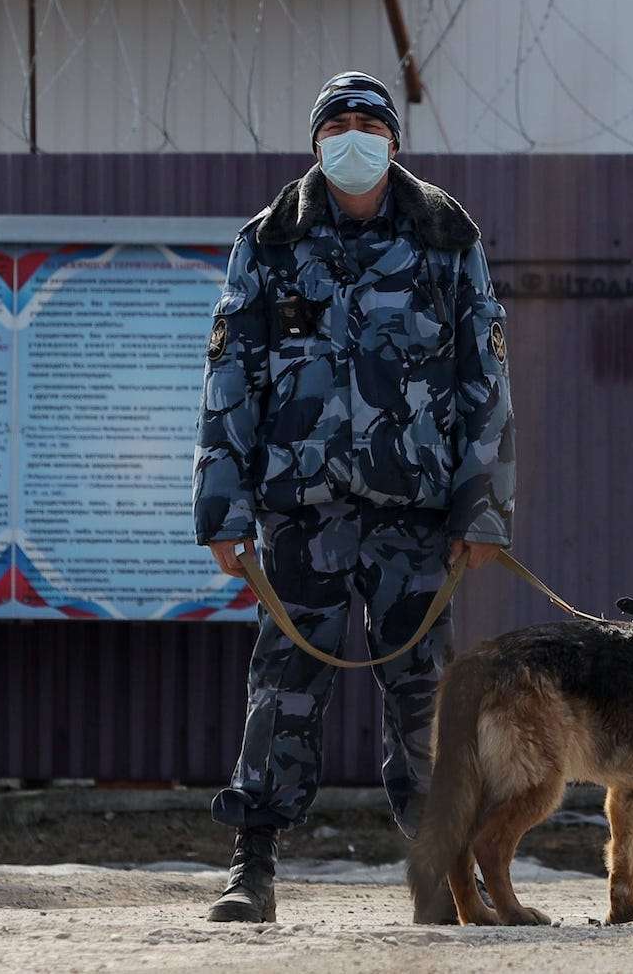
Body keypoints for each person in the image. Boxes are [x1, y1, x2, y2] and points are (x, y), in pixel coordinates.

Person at [192, 71, 514, 923]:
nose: (354, 133)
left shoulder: (447, 234)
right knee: (284, 686)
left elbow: (486, 379)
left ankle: (446, 878)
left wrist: (482, 510)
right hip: (303, 513)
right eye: (338, 122)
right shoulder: (269, 241)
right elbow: (231, 381)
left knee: (426, 697)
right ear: (316, 142)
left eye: (370, 120)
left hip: (415, 516)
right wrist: (223, 515)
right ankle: (251, 869)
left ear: (395, 141)